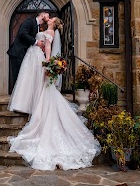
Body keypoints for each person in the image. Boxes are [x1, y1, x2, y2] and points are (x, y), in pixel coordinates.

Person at [8, 17, 101, 171]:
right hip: (34, 58)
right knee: (41, 90)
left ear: (54, 23)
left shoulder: (50, 32)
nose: (49, 18)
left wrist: (48, 65)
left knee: (45, 93)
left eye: (52, 18)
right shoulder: (45, 30)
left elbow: (48, 50)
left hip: (41, 60)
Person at [7, 10, 49, 105]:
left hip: (26, 54)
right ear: (42, 15)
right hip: (18, 52)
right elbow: (22, 34)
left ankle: (23, 102)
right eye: (47, 15)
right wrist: (36, 42)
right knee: (18, 77)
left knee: (23, 77)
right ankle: (16, 103)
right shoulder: (30, 21)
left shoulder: (38, 27)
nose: (49, 17)